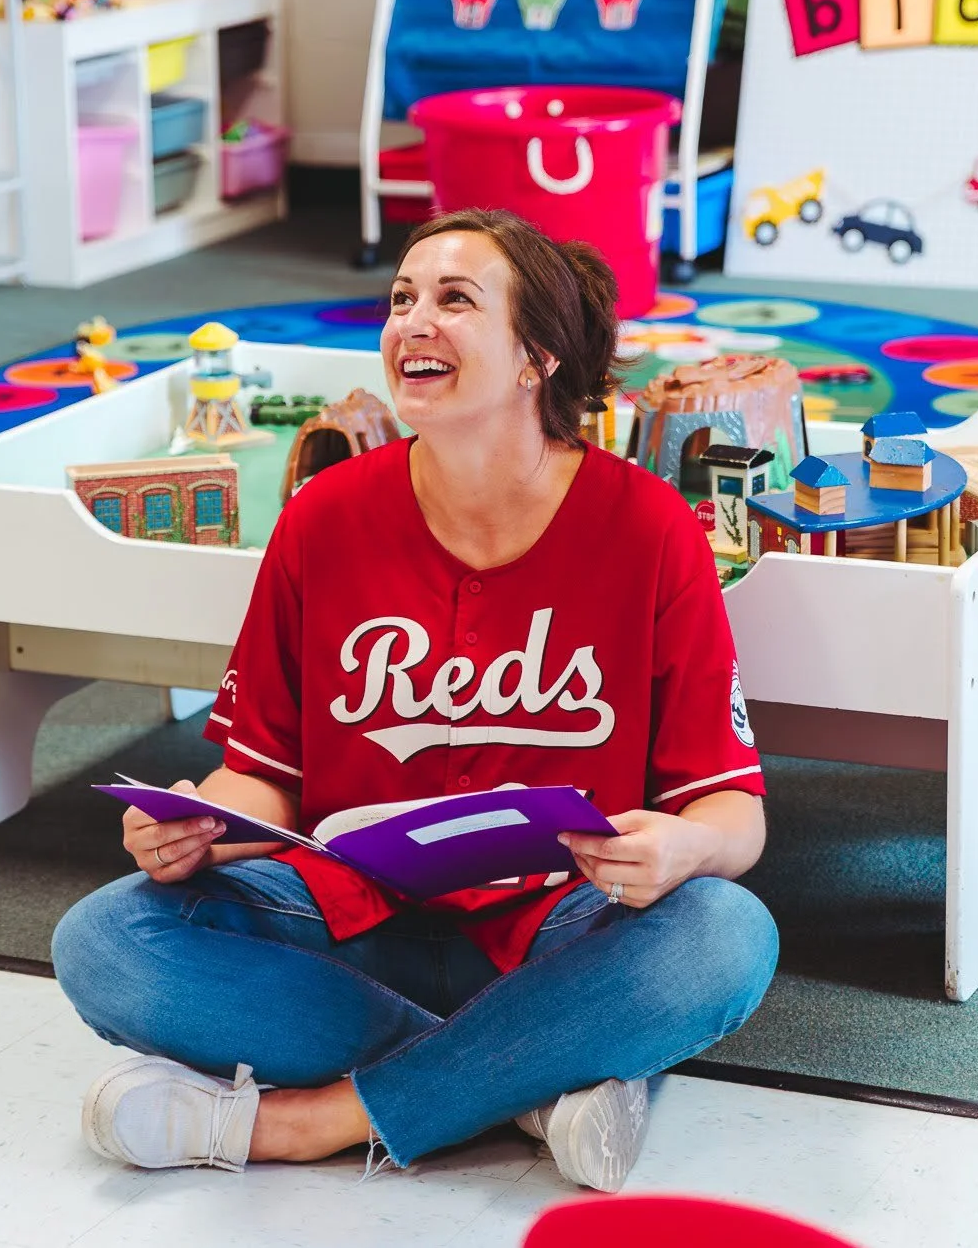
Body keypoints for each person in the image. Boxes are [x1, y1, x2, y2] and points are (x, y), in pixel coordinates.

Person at [52, 209, 778, 1191]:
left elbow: (731, 811)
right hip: (350, 927)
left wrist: (681, 848)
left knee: (724, 936)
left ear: (535, 359)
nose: (411, 323)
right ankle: (523, 1078)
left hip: (560, 926)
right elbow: (262, 776)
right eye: (401, 299)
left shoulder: (649, 528)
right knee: (105, 942)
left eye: (453, 300)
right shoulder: (324, 519)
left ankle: (308, 1123)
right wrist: (199, 833)